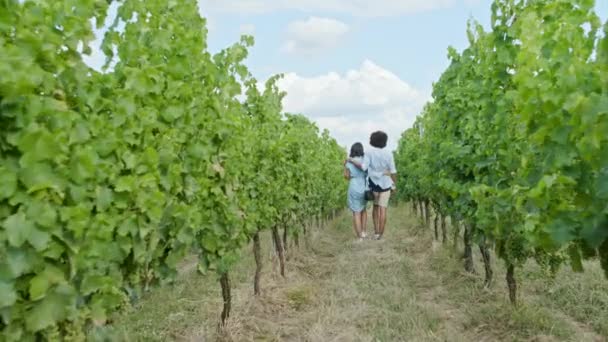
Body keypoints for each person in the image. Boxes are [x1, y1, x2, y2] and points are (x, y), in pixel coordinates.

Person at [348, 131, 396, 240]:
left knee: (375, 208)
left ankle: (375, 232)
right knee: (383, 209)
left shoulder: (369, 153)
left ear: (373, 141)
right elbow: (393, 171)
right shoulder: (389, 153)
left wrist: (352, 160)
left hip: (374, 184)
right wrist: (394, 185)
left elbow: (364, 167)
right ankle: (380, 234)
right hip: (386, 183)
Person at [344, 142, 368, 241]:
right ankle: (363, 232)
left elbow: (346, 177)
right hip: (363, 185)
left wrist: (344, 166)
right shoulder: (364, 161)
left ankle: (359, 237)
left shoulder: (349, 162)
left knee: (356, 213)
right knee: (363, 210)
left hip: (354, 186)